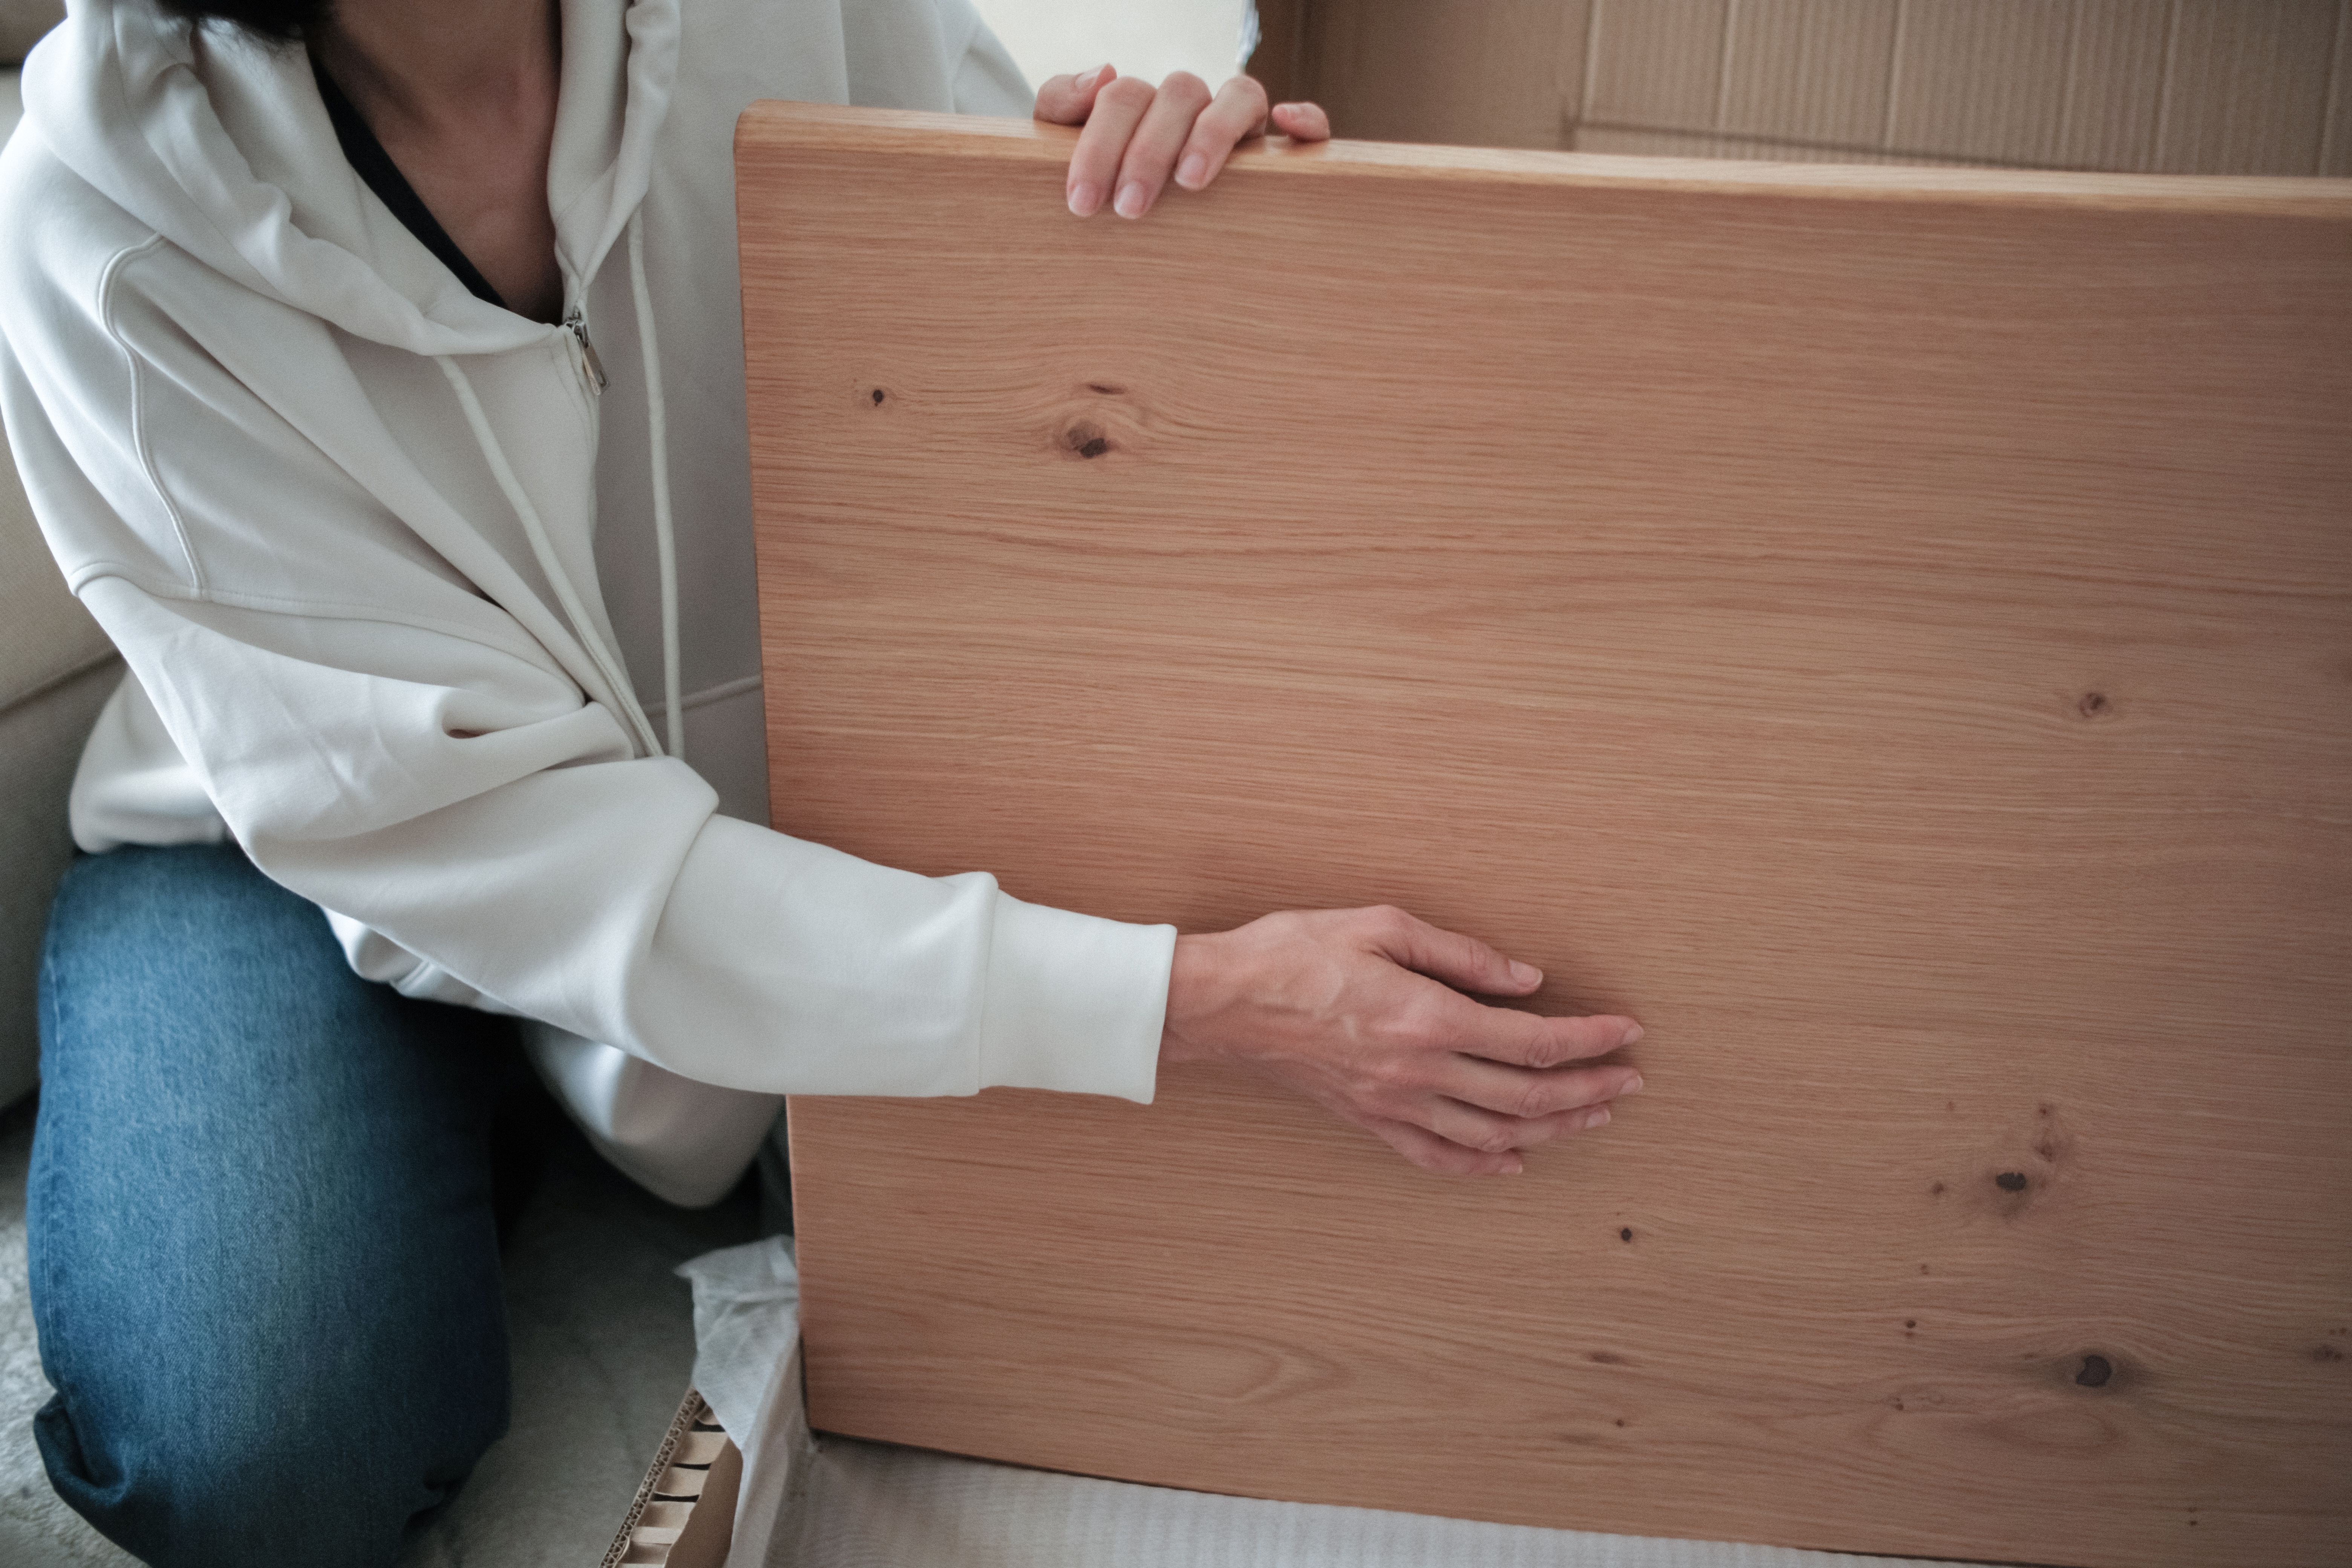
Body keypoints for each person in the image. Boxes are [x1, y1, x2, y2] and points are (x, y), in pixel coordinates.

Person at [0, 0, 1645, 1559]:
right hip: (300, 849)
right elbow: (515, 855)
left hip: (791, 783)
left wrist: (1186, 232)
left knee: (1053, 1295)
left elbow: (1033, 378)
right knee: (267, 1467)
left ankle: (526, 1116)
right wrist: (1200, 998)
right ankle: (471, 1103)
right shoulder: (103, 211)